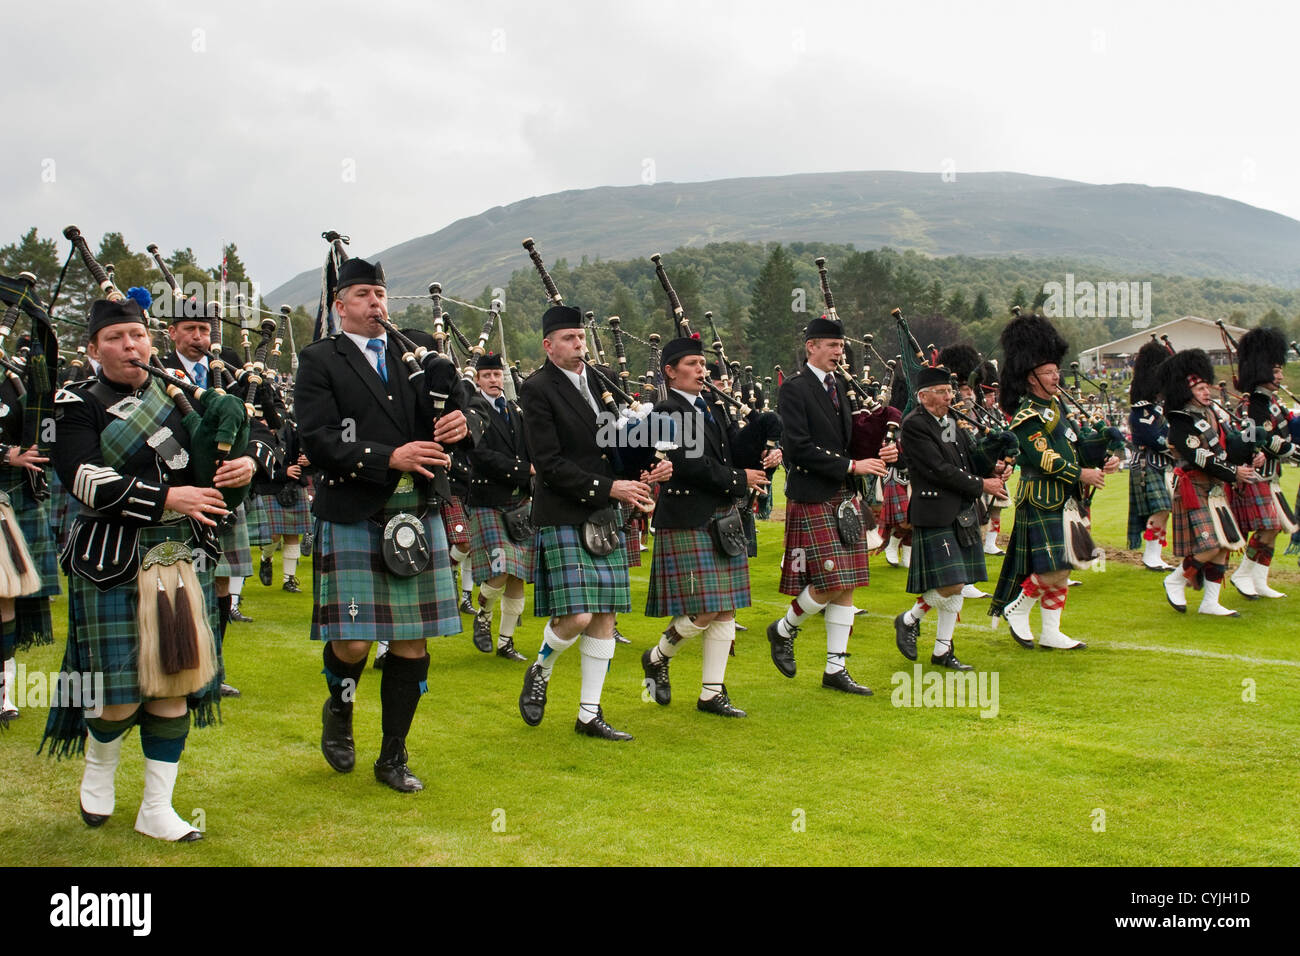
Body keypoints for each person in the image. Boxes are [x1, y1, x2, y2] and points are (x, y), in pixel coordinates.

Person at [40, 297, 257, 841]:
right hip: (110, 558)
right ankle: (99, 766)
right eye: (114, 338)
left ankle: (156, 809)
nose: (129, 346)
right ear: (93, 349)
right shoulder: (76, 404)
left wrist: (246, 464)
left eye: (136, 335)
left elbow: (213, 462)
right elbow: (83, 478)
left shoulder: (178, 397)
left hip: (179, 556)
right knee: (116, 690)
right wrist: (167, 498)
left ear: (151, 341)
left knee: (174, 682)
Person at [296, 257, 477, 792]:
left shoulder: (414, 354)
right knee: (352, 643)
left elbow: (463, 416)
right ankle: (341, 706)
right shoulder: (319, 360)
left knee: (413, 643)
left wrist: (462, 422)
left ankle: (393, 755)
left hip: (417, 513)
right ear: (340, 305)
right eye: (363, 295)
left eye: (381, 293)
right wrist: (388, 456)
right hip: (354, 510)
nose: (376, 303)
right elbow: (319, 438)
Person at [516, 305, 670, 741]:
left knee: (604, 615)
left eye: (581, 338)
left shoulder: (599, 380)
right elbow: (547, 464)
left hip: (605, 511)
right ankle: (541, 666)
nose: (578, 346)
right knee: (578, 617)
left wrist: (647, 465)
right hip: (566, 509)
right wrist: (610, 489)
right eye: (568, 339)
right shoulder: (537, 388)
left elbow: (615, 447)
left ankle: (589, 713)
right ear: (548, 345)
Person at [641, 335, 776, 717]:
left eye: (703, 364)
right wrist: (740, 479)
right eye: (692, 364)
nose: (702, 370)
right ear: (670, 372)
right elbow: (690, 465)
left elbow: (732, 449)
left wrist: (762, 443)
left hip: (719, 517)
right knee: (704, 609)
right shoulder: (665, 411)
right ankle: (657, 656)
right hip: (686, 517)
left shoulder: (712, 406)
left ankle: (711, 693)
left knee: (726, 608)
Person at [765, 315, 891, 695]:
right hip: (813, 493)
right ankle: (783, 628)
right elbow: (799, 447)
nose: (839, 353)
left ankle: (835, 668)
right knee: (830, 580)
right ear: (811, 348)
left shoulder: (840, 386)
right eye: (832, 346)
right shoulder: (795, 389)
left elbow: (848, 441)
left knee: (848, 585)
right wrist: (852, 464)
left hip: (844, 493)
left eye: (841, 347)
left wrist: (879, 449)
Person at [989, 311, 1121, 649]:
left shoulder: (1056, 410)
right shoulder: (1027, 416)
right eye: (1048, 372)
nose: (1055, 377)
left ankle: (1051, 631)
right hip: (1042, 495)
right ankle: (1018, 609)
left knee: (1066, 566)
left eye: (1055, 371)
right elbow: (1044, 458)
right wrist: (1082, 473)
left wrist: (1105, 450)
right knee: (1052, 567)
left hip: (1066, 497)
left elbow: (1077, 444)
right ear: (1031, 377)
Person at [892, 365, 1010, 670]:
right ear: (924, 395)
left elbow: (968, 459)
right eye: (943, 392)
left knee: (958, 583)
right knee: (953, 582)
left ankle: (943, 650)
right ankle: (908, 620)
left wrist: (994, 465)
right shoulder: (914, 425)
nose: (949, 396)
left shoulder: (951, 422)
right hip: (935, 510)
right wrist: (982, 484)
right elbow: (939, 469)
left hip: (961, 511)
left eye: (949, 391)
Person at [1161, 348, 1265, 615]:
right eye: (1200, 389)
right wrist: (1234, 473)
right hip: (1194, 485)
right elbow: (1199, 456)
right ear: (1186, 391)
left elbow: (1226, 448)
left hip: (1215, 487)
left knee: (1225, 544)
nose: (1207, 393)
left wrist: (1251, 454)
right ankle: (1176, 579)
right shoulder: (1181, 420)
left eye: (1207, 387)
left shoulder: (1211, 415)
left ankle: (1210, 602)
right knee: (1210, 544)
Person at [464, 352, 533, 661]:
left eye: (497, 375)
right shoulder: (473, 412)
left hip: (519, 502)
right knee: (502, 568)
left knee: (518, 575)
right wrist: (524, 469)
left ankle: (505, 641)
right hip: (489, 500)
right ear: (478, 379)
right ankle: (483, 611)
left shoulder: (515, 410)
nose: (494, 380)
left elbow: (528, 448)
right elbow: (480, 455)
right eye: (488, 375)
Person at [1227, 327, 1298, 599]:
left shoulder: (1270, 402)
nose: (1280, 375)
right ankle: (1243, 574)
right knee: (1269, 526)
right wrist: (1293, 450)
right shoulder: (1256, 403)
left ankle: (1259, 579)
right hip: (1257, 474)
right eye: (1276, 371)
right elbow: (1265, 439)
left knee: (1276, 527)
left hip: (1271, 473)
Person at [1126, 341, 1177, 571]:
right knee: (1161, 507)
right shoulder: (1142, 410)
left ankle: (1154, 554)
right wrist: (1174, 448)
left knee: (1164, 509)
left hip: (1160, 464)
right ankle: (1150, 555)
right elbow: (1151, 437)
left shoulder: (1159, 408)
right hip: (1147, 464)